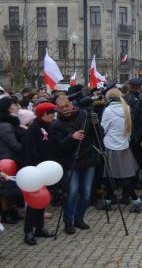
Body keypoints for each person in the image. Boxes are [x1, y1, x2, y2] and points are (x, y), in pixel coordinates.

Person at [50, 95, 102, 235]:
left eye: (67, 106)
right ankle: (68, 221)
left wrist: (96, 123)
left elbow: (99, 135)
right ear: (58, 109)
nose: (65, 109)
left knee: (86, 193)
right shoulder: (56, 125)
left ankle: (79, 218)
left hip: (88, 160)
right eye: (61, 108)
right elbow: (58, 146)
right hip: (70, 163)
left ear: (71, 104)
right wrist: (71, 137)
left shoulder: (85, 116)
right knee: (71, 193)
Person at [99, 88, 142, 213]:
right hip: (123, 145)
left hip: (111, 146)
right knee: (112, 177)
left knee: (119, 177)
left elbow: (103, 128)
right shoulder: (126, 108)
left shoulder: (108, 110)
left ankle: (136, 201)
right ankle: (107, 202)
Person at [21, 102, 57, 245]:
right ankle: (28, 231)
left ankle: (40, 228)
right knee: (33, 202)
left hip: (45, 170)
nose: (53, 116)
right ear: (44, 114)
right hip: (34, 171)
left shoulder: (47, 126)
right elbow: (28, 151)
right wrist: (30, 170)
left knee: (42, 200)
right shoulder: (34, 128)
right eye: (51, 113)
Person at [0, 96, 24, 224]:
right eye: (13, 105)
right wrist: (24, 147)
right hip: (5, 158)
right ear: (7, 108)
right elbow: (13, 145)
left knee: (10, 186)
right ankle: (5, 212)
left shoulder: (8, 122)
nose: (16, 107)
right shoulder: (4, 125)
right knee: (5, 188)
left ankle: (12, 210)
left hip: (9, 157)